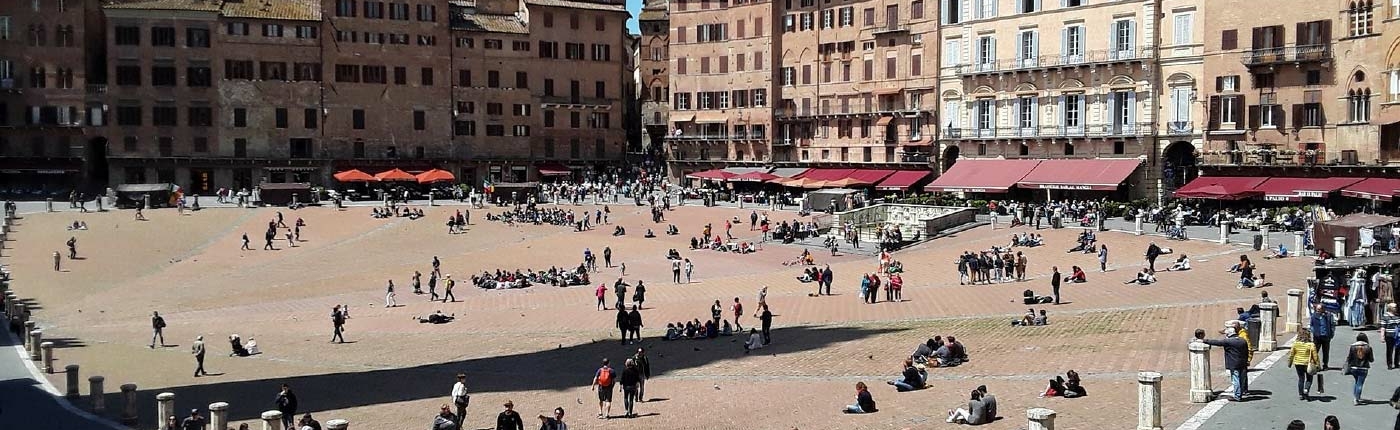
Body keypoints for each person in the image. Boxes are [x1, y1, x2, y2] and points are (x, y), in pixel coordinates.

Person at [1200, 322, 1250, 401]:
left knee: (1235, 380)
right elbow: (1246, 351)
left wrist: (1204, 340)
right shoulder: (1242, 340)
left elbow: (1217, 342)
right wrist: (1247, 360)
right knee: (1241, 379)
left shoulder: (1229, 341)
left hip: (1234, 363)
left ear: (1229, 335)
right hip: (1243, 363)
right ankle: (1242, 392)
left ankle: (1237, 396)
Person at [1288, 328, 1322, 400]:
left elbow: (1291, 354)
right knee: (1309, 378)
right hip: (1308, 363)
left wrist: (1290, 363)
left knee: (1301, 378)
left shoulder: (1295, 344)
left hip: (1298, 363)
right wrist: (1318, 365)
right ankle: (1306, 389)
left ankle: (1300, 394)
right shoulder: (1311, 345)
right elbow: (1315, 356)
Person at [1346, 333, 1374, 405]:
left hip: (1353, 367)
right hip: (1363, 368)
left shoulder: (1352, 346)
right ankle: (1357, 398)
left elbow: (1349, 358)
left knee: (1356, 382)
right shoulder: (1368, 347)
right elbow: (1371, 359)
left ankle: (1356, 396)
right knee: (1360, 383)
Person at [1312, 303, 1337, 369]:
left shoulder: (1329, 316)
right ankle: (1315, 364)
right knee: (1315, 351)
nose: (1317, 310)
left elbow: (1332, 325)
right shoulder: (1314, 316)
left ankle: (1325, 364)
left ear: (1323, 309)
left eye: (1319, 309)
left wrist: (1332, 334)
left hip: (1326, 336)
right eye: (1317, 309)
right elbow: (1311, 325)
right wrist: (1313, 331)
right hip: (1317, 336)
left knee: (1325, 352)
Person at [1382, 303, 1400, 369]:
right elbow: (1383, 327)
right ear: (1390, 308)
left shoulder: (1397, 315)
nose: (1396, 308)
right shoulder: (1385, 316)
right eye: (1394, 307)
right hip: (1389, 335)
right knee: (1390, 350)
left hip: (1397, 335)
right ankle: (1389, 364)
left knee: (1398, 350)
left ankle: (1396, 363)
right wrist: (1382, 337)